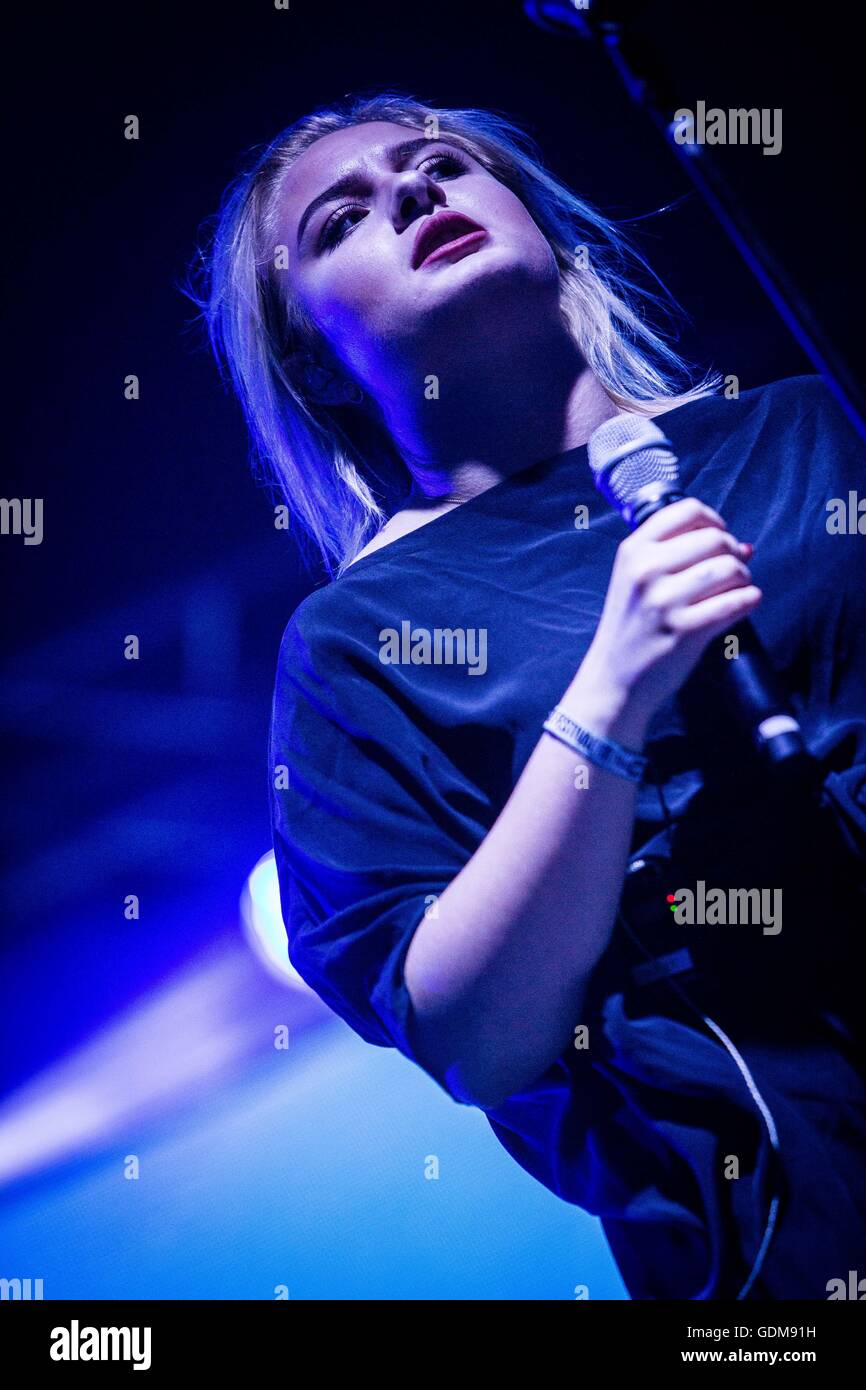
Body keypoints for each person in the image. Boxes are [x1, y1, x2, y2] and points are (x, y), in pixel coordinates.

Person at [196, 91, 866, 1300]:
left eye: (441, 165)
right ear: (311, 354)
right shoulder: (355, 643)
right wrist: (604, 697)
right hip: (794, 1238)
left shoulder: (808, 427)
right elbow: (476, 1039)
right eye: (344, 219)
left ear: (542, 222)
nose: (410, 198)